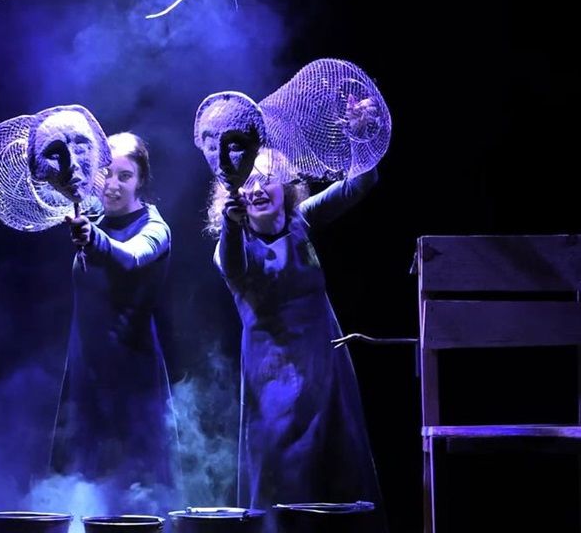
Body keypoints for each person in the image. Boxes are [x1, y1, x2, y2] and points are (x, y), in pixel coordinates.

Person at [208, 146, 385, 527]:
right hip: (274, 382)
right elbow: (235, 266)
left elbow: (360, 183)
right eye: (248, 181)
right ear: (234, 192)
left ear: (286, 186)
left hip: (326, 371)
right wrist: (231, 223)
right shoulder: (230, 245)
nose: (258, 189)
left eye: (267, 178)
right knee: (284, 481)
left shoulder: (300, 221)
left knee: (340, 472)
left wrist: (360, 138)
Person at [50, 131, 179, 492]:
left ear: (140, 181)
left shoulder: (155, 228)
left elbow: (132, 257)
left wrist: (94, 239)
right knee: (81, 484)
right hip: (86, 372)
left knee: (138, 489)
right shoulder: (92, 219)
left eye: (125, 176)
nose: (113, 184)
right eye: (106, 173)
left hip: (132, 375)